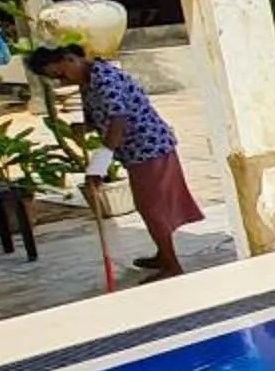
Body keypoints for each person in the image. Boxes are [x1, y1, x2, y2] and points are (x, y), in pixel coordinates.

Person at [25, 43, 205, 278]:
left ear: (70, 59)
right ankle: (164, 254)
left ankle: (172, 265)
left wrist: (99, 165)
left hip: (148, 146)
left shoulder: (105, 79)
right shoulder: (87, 84)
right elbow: (99, 117)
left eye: (60, 74)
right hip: (134, 152)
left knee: (153, 208)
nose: (62, 81)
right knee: (147, 206)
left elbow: (117, 121)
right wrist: (82, 127)